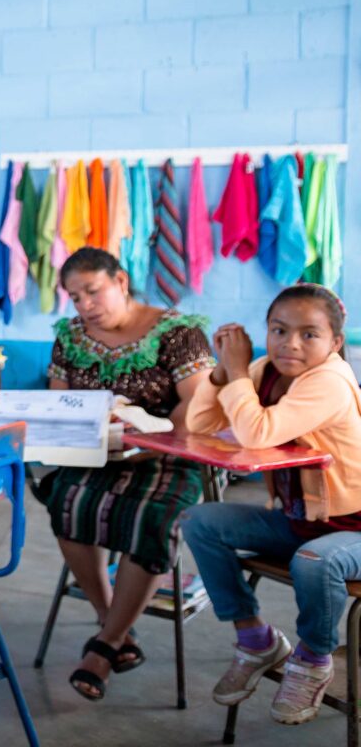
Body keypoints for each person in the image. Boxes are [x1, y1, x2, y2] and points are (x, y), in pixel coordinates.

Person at [181, 283, 361, 726]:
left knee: (316, 561)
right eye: (279, 330)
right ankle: (256, 638)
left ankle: (314, 658)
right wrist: (224, 374)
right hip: (304, 522)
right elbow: (201, 424)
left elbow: (257, 433)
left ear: (336, 342)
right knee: (201, 522)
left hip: (352, 532)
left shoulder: (330, 382)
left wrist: (238, 373)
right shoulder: (268, 372)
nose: (291, 344)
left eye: (309, 334)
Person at [41, 247, 216, 701]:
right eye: (74, 297)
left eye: (92, 291)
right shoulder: (72, 336)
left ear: (120, 281)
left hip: (167, 453)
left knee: (152, 517)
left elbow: (195, 406)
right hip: (98, 452)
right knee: (67, 498)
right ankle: (110, 622)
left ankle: (105, 646)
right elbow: (60, 401)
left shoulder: (178, 333)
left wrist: (147, 442)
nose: (84, 306)